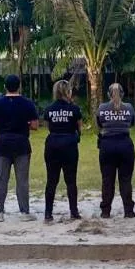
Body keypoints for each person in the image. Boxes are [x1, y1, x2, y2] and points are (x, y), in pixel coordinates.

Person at [0, 74, 39, 222]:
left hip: (2, 144)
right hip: (22, 144)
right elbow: (35, 125)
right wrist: (25, 124)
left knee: (1, 179)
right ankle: (24, 211)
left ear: (5, 87)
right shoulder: (27, 103)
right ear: (19, 86)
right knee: (22, 180)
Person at [43, 80, 83, 223]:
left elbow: (49, 126)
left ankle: (48, 213)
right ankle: (74, 211)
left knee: (51, 180)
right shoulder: (75, 109)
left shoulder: (49, 109)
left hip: (53, 144)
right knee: (71, 180)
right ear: (68, 92)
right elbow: (79, 129)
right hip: (69, 144)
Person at [96, 83, 135, 218]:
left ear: (108, 95)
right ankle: (129, 211)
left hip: (107, 145)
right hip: (125, 144)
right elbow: (132, 123)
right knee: (125, 179)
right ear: (123, 94)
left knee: (107, 180)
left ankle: (105, 211)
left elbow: (99, 123)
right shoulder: (129, 107)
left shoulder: (102, 108)